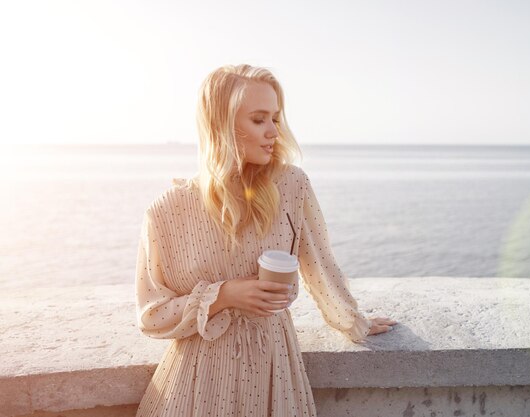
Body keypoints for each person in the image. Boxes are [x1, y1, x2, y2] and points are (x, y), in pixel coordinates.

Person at [134, 64, 398, 417]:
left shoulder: (292, 186)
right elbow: (151, 315)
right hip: (196, 387)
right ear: (221, 126)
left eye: (275, 118)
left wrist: (352, 321)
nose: (274, 131)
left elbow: (320, 265)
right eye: (259, 120)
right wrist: (224, 295)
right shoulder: (166, 211)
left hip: (274, 373)